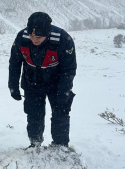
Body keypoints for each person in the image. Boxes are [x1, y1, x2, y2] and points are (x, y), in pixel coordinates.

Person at [8, 12, 77, 148]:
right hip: (32, 82)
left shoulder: (63, 40)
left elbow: (69, 70)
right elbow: (15, 63)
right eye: (31, 35)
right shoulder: (22, 38)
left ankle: (60, 146)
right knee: (34, 115)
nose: (34, 39)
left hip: (57, 83)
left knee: (60, 114)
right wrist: (13, 85)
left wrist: (64, 92)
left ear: (48, 33)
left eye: (38, 37)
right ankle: (35, 144)